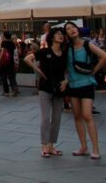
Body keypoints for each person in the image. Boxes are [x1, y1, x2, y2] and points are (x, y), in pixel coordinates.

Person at [64, 21, 106, 159]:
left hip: (87, 83)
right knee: (77, 116)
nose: (72, 30)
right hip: (73, 84)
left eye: (73, 27)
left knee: (87, 115)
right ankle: (83, 146)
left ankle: (95, 148)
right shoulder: (67, 48)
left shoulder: (87, 44)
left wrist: (94, 70)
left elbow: (105, 56)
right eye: (68, 29)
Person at [24, 26, 68, 158]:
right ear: (52, 37)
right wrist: (38, 70)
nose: (61, 36)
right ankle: (44, 145)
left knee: (57, 118)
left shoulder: (65, 53)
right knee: (45, 117)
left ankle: (51, 145)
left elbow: (68, 70)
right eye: (58, 34)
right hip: (45, 87)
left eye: (62, 34)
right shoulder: (45, 52)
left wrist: (66, 81)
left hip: (59, 88)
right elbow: (27, 59)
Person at [0, 30, 19, 97]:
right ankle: (14, 88)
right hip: (11, 62)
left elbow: (2, 52)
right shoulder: (12, 43)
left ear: (4, 36)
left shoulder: (3, 43)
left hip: (4, 62)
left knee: (4, 77)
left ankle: (6, 92)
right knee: (11, 77)